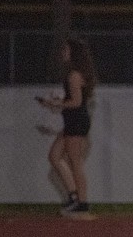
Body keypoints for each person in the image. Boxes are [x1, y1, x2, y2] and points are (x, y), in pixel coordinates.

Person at [37, 37, 97, 217]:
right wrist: (58, 101)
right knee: (54, 156)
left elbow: (76, 102)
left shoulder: (74, 75)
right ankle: (73, 196)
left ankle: (82, 203)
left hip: (76, 121)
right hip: (73, 120)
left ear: (73, 53)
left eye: (66, 50)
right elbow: (74, 99)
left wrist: (56, 103)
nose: (63, 53)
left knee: (75, 162)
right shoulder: (74, 74)